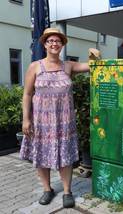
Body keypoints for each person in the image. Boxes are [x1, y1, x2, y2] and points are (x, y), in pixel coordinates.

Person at [20, 28, 100, 208]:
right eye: (50, 41)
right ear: (45, 44)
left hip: (64, 122)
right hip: (41, 122)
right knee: (41, 155)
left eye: (58, 41)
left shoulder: (68, 66)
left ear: (62, 45)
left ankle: (67, 191)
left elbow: (92, 65)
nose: (54, 44)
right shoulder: (35, 66)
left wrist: (94, 53)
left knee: (65, 156)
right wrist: (26, 119)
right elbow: (27, 94)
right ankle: (47, 189)